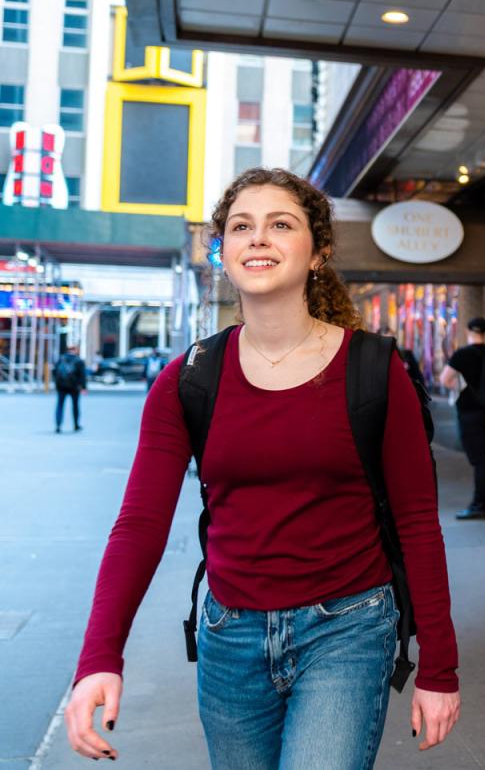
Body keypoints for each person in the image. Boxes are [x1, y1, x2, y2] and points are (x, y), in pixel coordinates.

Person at [65, 168, 460, 766]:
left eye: (281, 224)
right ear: (222, 252)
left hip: (349, 629)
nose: (258, 238)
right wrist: (99, 656)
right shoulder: (188, 380)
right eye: (241, 227)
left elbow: (418, 524)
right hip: (229, 637)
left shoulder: (376, 370)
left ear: (318, 251)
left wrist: (440, 665)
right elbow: (139, 526)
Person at [440, 317, 485, 520]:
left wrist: (460, 390)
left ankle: (479, 505)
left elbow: (445, 379)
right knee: (482, 458)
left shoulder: (463, 354)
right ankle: (483, 502)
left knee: (478, 460)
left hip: (469, 413)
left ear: (467, 331)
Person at [53, 344, 86, 433]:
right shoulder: (79, 361)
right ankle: (76, 425)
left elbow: (55, 372)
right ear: (76, 350)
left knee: (60, 405)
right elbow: (82, 375)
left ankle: (58, 425)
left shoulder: (61, 359)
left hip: (61, 387)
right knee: (75, 406)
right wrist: (83, 387)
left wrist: (57, 384)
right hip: (74, 387)